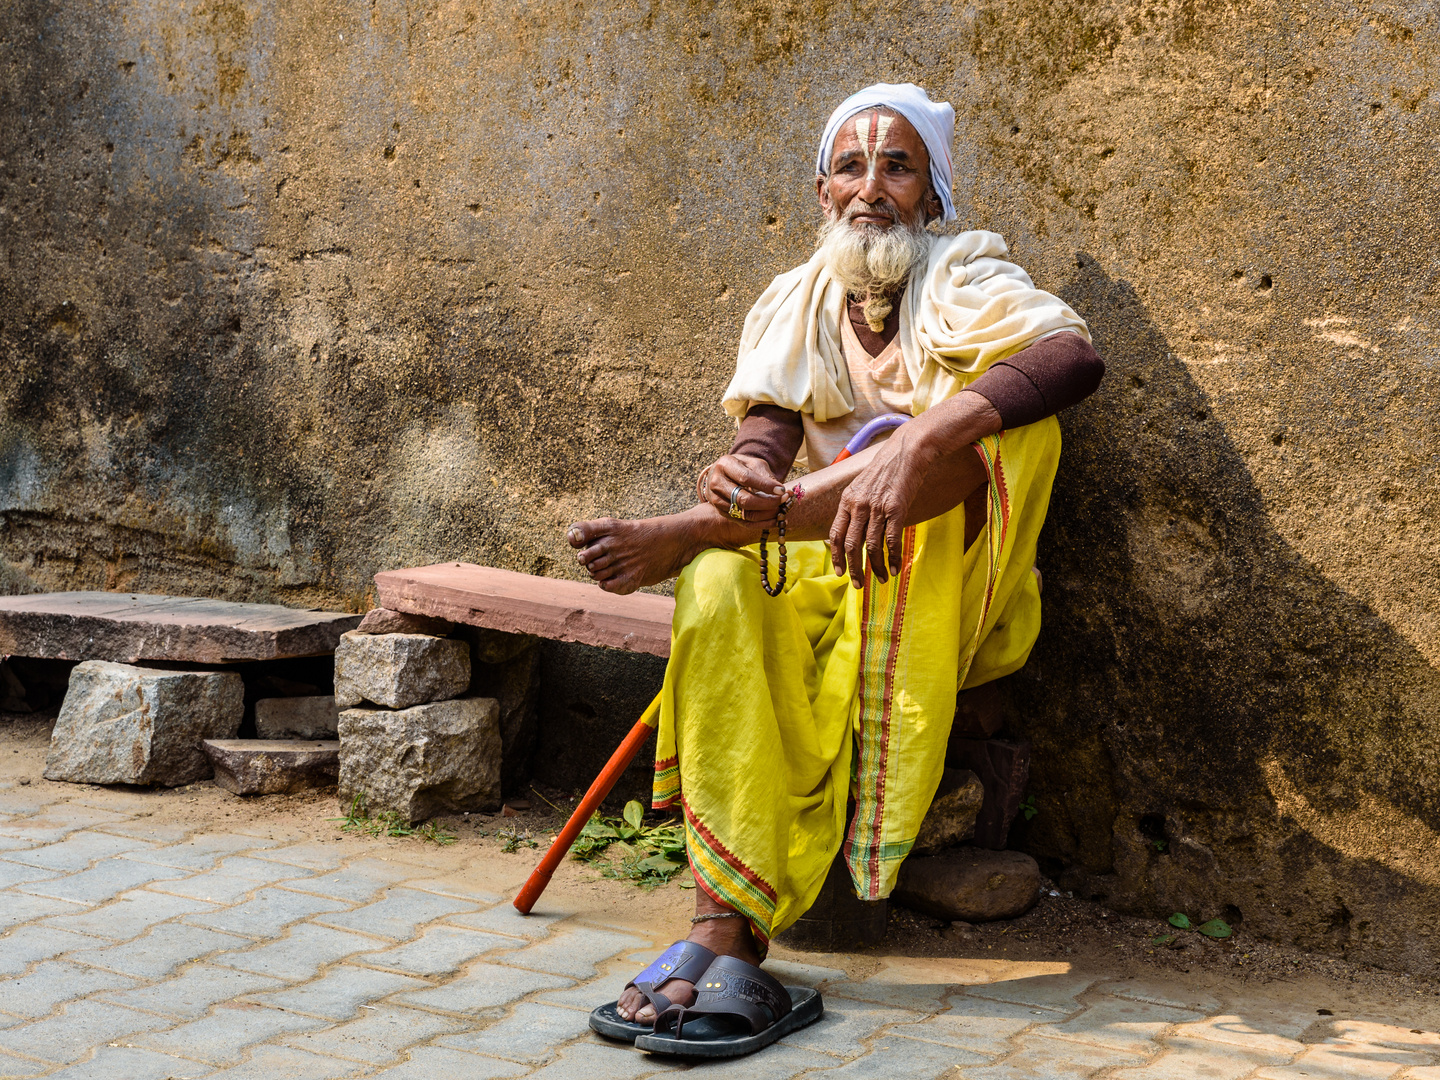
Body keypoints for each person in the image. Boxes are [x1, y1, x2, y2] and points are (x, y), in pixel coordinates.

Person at [573, 83, 1104, 1056]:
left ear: (931, 195)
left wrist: (913, 446)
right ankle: (722, 931)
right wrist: (742, 479)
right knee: (721, 579)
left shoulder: (967, 276)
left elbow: (1073, 357)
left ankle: (697, 529)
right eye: (851, 166)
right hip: (829, 560)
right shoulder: (799, 300)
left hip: (948, 578)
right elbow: (768, 443)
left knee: (962, 446)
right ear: (822, 192)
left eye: (896, 166)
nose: (871, 187)